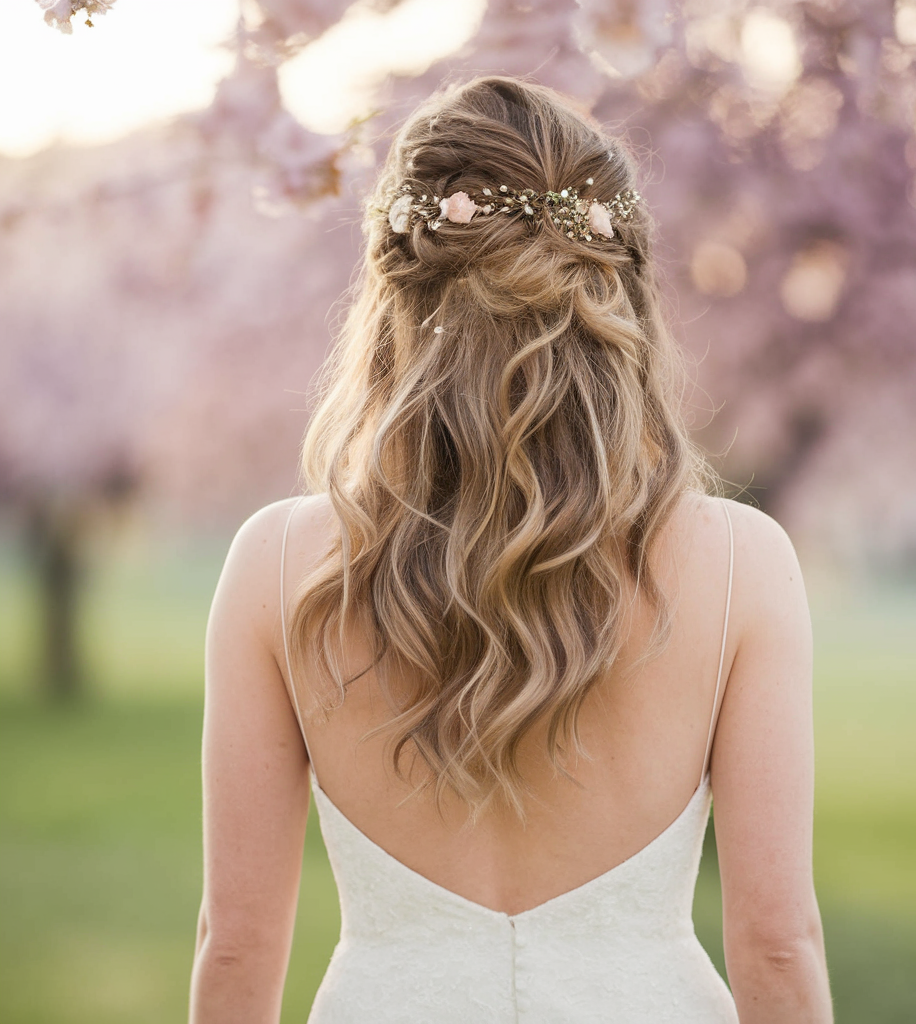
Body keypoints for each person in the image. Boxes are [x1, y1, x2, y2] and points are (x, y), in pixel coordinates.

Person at [188, 75, 832, 1024]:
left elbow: (236, 944)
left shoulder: (278, 563)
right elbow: (778, 945)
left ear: (393, 293)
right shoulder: (742, 563)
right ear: (622, 297)